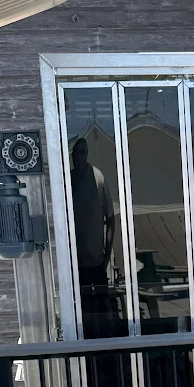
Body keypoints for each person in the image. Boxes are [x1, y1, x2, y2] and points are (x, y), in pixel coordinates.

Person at [68, 137, 118, 330]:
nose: (80, 157)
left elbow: (111, 218)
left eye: (83, 152)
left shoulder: (98, 178)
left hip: (97, 260)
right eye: (76, 153)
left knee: (103, 309)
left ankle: (106, 339)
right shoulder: (68, 182)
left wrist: (107, 255)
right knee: (83, 311)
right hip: (76, 261)